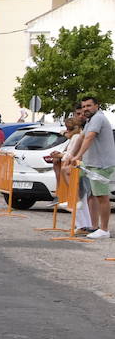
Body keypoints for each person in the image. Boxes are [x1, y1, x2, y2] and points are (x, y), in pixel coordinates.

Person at [70, 95, 115, 239]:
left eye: (89, 106)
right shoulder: (90, 120)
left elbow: (89, 137)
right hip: (91, 164)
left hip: (101, 165)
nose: (85, 109)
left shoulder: (98, 118)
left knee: (102, 196)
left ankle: (104, 230)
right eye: (83, 106)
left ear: (97, 106)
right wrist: (70, 155)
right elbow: (82, 137)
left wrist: (78, 156)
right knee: (69, 172)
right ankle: (92, 223)